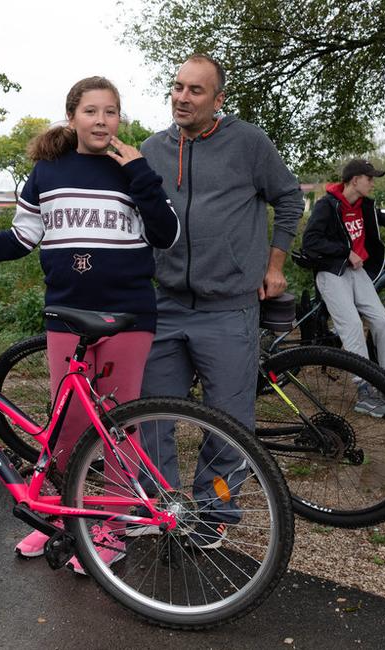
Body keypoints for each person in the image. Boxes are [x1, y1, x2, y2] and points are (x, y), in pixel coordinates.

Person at [0, 76, 179, 572]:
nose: (101, 120)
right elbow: (17, 239)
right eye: (91, 111)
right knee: (66, 425)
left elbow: (166, 235)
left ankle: (111, 528)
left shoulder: (134, 168)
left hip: (127, 315)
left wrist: (140, 174)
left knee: (117, 423)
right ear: (72, 117)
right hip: (66, 314)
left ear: (119, 117)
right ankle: (62, 518)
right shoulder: (47, 172)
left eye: (110, 111)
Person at [138, 54, 304, 548]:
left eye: (195, 90)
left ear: (218, 99)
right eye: (177, 87)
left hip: (229, 306)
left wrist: (274, 265)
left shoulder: (248, 142)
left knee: (229, 421)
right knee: (151, 416)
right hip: (166, 302)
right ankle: (160, 505)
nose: (182, 97)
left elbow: (289, 198)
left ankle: (214, 511)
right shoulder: (151, 149)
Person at [300, 159, 385, 417]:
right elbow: (311, 241)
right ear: (354, 180)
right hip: (332, 273)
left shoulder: (364, 205)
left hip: (357, 272)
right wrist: (345, 252)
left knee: (382, 321)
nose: (372, 183)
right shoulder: (328, 205)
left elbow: (381, 218)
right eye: (369, 178)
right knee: (352, 326)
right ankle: (364, 393)